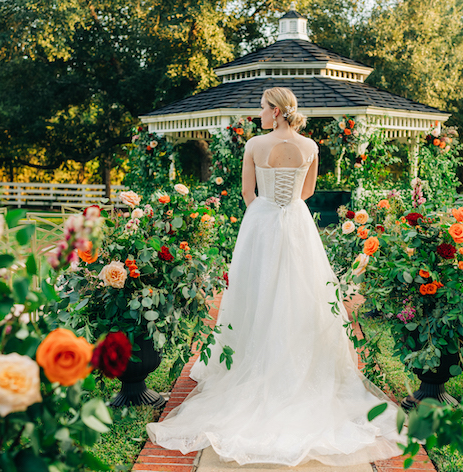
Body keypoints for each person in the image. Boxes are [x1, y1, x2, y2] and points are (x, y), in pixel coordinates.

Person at [146, 87, 406, 466]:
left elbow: (247, 193)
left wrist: (265, 217)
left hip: (261, 222)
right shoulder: (311, 147)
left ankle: (257, 356)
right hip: (299, 223)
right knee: (302, 293)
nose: (259, 113)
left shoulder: (254, 145)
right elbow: (308, 191)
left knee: (256, 292)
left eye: (263, 108)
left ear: (278, 111)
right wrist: (286, 212)